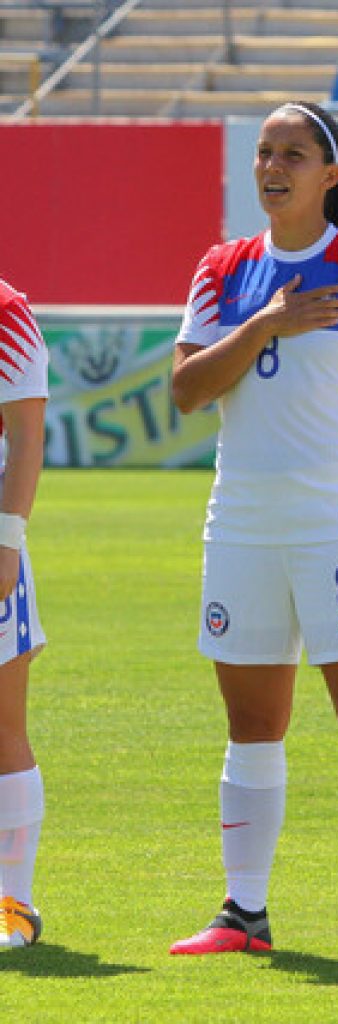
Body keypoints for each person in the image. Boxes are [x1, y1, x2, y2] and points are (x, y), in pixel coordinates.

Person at [168, 102, 338, 961]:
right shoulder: (222, 269)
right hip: (239, 521)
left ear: (331, 174)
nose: (273, 166)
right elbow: (187, 390)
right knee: (251, 726)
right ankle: (244, 912)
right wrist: (264, 324)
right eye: (263, 152)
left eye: (293, 153)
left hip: (334, 526)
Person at [0, 280, 49, 950]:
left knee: (2, 729)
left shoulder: (7, 312)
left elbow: (27, 439)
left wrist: (7, 539)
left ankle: (14, 903)